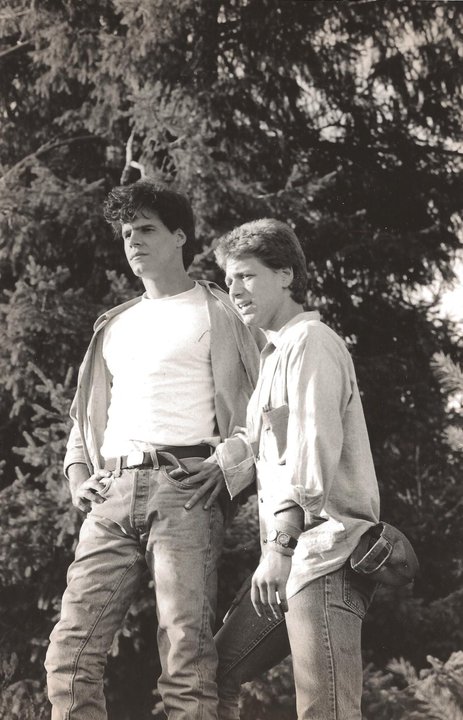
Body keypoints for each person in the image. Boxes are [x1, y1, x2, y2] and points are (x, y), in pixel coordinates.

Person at [44, 180, 261, 720]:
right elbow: (84, 416)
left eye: (146, 229)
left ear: (180, 237)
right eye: (126, 233)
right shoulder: (114, 324)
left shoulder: (222, 312)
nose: (134, 241)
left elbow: (265, 406)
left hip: (184, 491)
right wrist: (78, 474)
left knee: (186, 657)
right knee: (69, 655)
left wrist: (229, 463)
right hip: (111, 496)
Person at [192, 218, 380, 720]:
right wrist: (201, 464)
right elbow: (258, 444)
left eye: (247, 276)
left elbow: (311, 446)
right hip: (293, 563)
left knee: (326, 710)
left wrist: (279, 546)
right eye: (229, 280)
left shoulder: (311, 342)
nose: (235, 290)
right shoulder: (273, 356)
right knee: (215, 673)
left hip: (326, 556)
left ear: (286, 275)